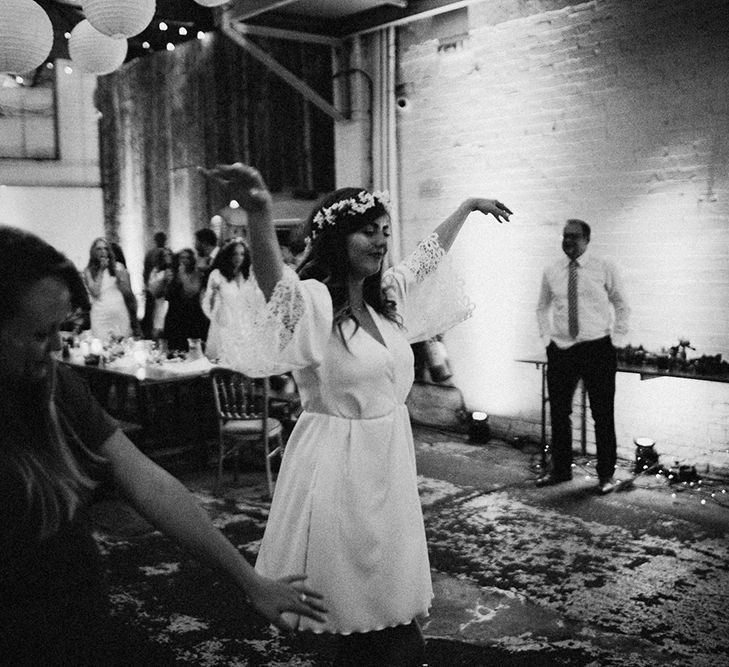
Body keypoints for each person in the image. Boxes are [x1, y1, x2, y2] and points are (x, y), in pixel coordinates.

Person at [201, 163, 511, 666]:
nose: (381, 240)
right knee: (348, 613)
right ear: (337, 237)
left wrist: (466, 208)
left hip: (388, 466)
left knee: (393, 607)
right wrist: (260, 214)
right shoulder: (317, 301)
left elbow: (427, 258)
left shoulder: (386, 301)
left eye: (385, 231)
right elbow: (275, 286)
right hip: (337, 467)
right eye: (368, 230)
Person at [0, 225, 326, 665]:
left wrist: (250, 580)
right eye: (41, 334)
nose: (57, 347)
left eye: (62, 329)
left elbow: (147, 482)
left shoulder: (56, 385)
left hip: (74, 614)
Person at [535, 218, 630, 494]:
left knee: (602, 414)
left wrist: (618, 341)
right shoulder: (551, 271)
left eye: (574, 237)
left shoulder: (604, 267)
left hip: (597, 347)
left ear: (587, 240)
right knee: (559, 412)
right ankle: (561, 470)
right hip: (562, 349)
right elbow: (541, 308)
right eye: (565, 237)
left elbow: (622, 304)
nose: (568, 242)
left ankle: (606, 476)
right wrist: (546, 339)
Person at [201, 237, 256, 360]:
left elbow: (252, 301)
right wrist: (214, 300)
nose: (238, 258)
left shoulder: (246, 276)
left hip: (244, 324)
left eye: (242, 254)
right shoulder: (217, 275)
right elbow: (207, 303)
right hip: (224, 324)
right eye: (235, 254)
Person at [83, 237, 139, 339]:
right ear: (93, 252)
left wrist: (120, 280)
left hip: (118, 313)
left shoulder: (118, 267)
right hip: (100, 316)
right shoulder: (88, 271)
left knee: (122, 347)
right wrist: (101, 270)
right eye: (99, 249)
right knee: (101, 348)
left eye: (105, 248)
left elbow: (129, 294)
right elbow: (95, 292)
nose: (102, 252)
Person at [163, 247, 209, 352]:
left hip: (192, 317)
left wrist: (182, 274)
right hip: (175, 317)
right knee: (175, 350)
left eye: (187, 258)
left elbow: (191, 292)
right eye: (181, 258)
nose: (184, 260)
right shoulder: (172, 274)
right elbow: (166, 295)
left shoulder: (197, 274)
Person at [144, 247, 173, 341]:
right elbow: (154, 291)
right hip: (159, 306)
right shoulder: (156, 272)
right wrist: (163, 280)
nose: (168, 257)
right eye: (165, 255)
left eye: (169, 254)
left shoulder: (175, 270)